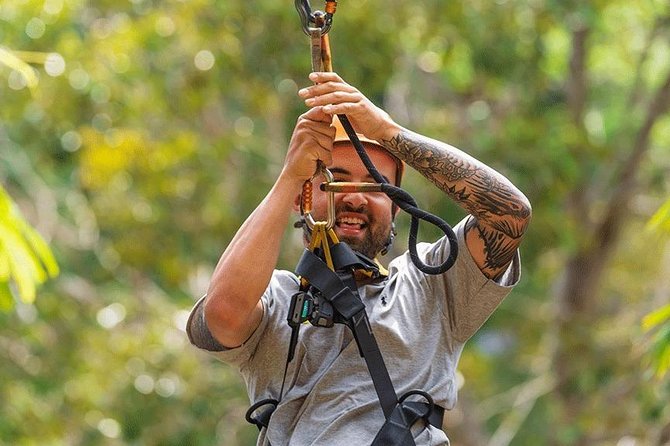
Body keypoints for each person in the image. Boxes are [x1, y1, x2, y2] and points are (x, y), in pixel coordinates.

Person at [186, 71, 532, 446]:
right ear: (305, 198)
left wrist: (386, 131)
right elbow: (223, 314)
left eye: (374, 184)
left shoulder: (433, 286)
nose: (354, 197)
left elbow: (510, 214)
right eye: (335, 179)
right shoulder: (275, 298)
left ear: (397, 208)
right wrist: (291, 176)